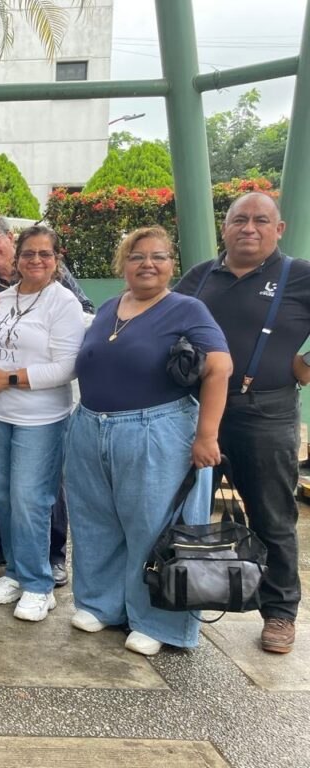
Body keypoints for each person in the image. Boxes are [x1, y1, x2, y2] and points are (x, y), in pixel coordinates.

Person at [68, 225, 231, 655]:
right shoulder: (109, 307)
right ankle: (103, 605)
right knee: (96, 522)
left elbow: (220, 368)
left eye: (158, 256)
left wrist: (207, 435)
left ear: (171, 265)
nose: (148, 264)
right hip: (92, 427)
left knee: (155, 526)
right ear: (123, 263)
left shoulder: (187, 309)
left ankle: (159, 622)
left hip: (157, 429)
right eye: (137, 256)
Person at [176, 192, 310, 654]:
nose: (248, 228)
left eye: (260, 220)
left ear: (279, 229)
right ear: (225, 227)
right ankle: (178, 595)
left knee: (272, 516)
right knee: (183, 513)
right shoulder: (199, 276)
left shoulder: (299, 276)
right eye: (239, 220)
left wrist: (305, 364)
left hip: (265, 414)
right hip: (194, 411)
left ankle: (279, 611)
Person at [0, 215, 94, 580]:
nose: (36, 260)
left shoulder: (62, 297)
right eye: (29, 255)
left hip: (40, 415)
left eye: (44, 254)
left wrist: (13, 378)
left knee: (31, 496)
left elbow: (69, 362)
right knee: (4, 494)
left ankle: (40, 576)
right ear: (19, 258)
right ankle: (14, 569)